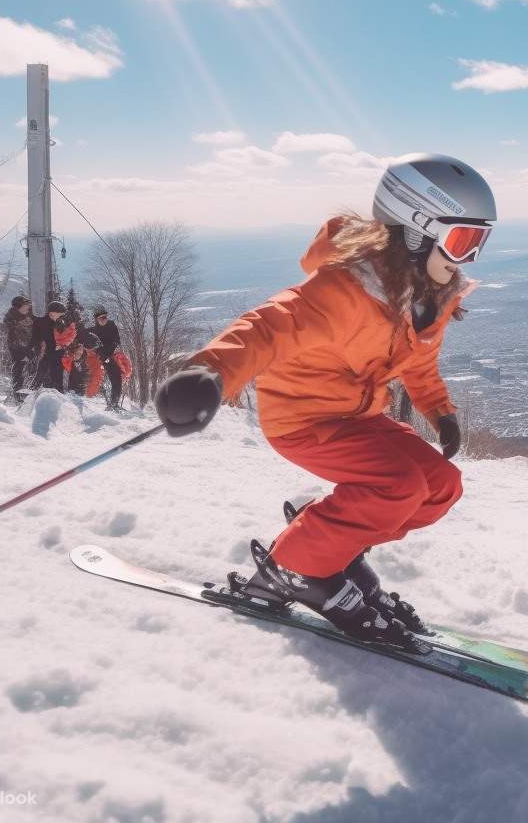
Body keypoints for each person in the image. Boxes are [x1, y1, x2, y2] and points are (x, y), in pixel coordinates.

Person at [153, 153, 495, 650]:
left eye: (478, 243)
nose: (469, 259)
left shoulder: (429, 298)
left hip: (357, 416)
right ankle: (294, 569)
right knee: (396, 486)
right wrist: (211, 374)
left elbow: (418, 362)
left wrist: (439, 409)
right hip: (304, 419)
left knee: (441, 486)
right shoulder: (345, 290)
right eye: (463, 241)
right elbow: (268, 328)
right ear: (417, 228)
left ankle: (326, 539)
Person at [29, 301, 70, 391]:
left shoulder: (61, 323)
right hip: (45, 353)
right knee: (41, 374)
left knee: (58, 376)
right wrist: (33, 349)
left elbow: (67, 337)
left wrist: (64, 346)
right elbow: (34, 338)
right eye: (60, 314)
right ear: (52, 313)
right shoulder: (39, 322)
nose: (62, 317)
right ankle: (32, 393)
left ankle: (59, 395)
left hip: (58, 353)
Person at [90, 308, 125, 409]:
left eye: (105, 317)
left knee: (117, 378)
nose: (104, 319)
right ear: (96, 319)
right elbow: (95, 347)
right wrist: (104, 356)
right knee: (102, 379)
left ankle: (114, 404)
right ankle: (109, 404)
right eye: (101, 318)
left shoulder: (111, 325)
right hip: (101, 357)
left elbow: (117, 340)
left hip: (112, 354)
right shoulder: (94, 331)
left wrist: (112, 350)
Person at [3, 296, 34, 397]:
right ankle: (18, 396)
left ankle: (28, 393)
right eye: (25, 306)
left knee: (31, 370)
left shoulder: (27, 317)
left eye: (28, 306)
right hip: (18, 349)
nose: (27, 308)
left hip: (28, 348)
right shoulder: (13, 319)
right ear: (18, 307)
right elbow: (16, 337)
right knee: (19, 371)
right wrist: (27, 350)